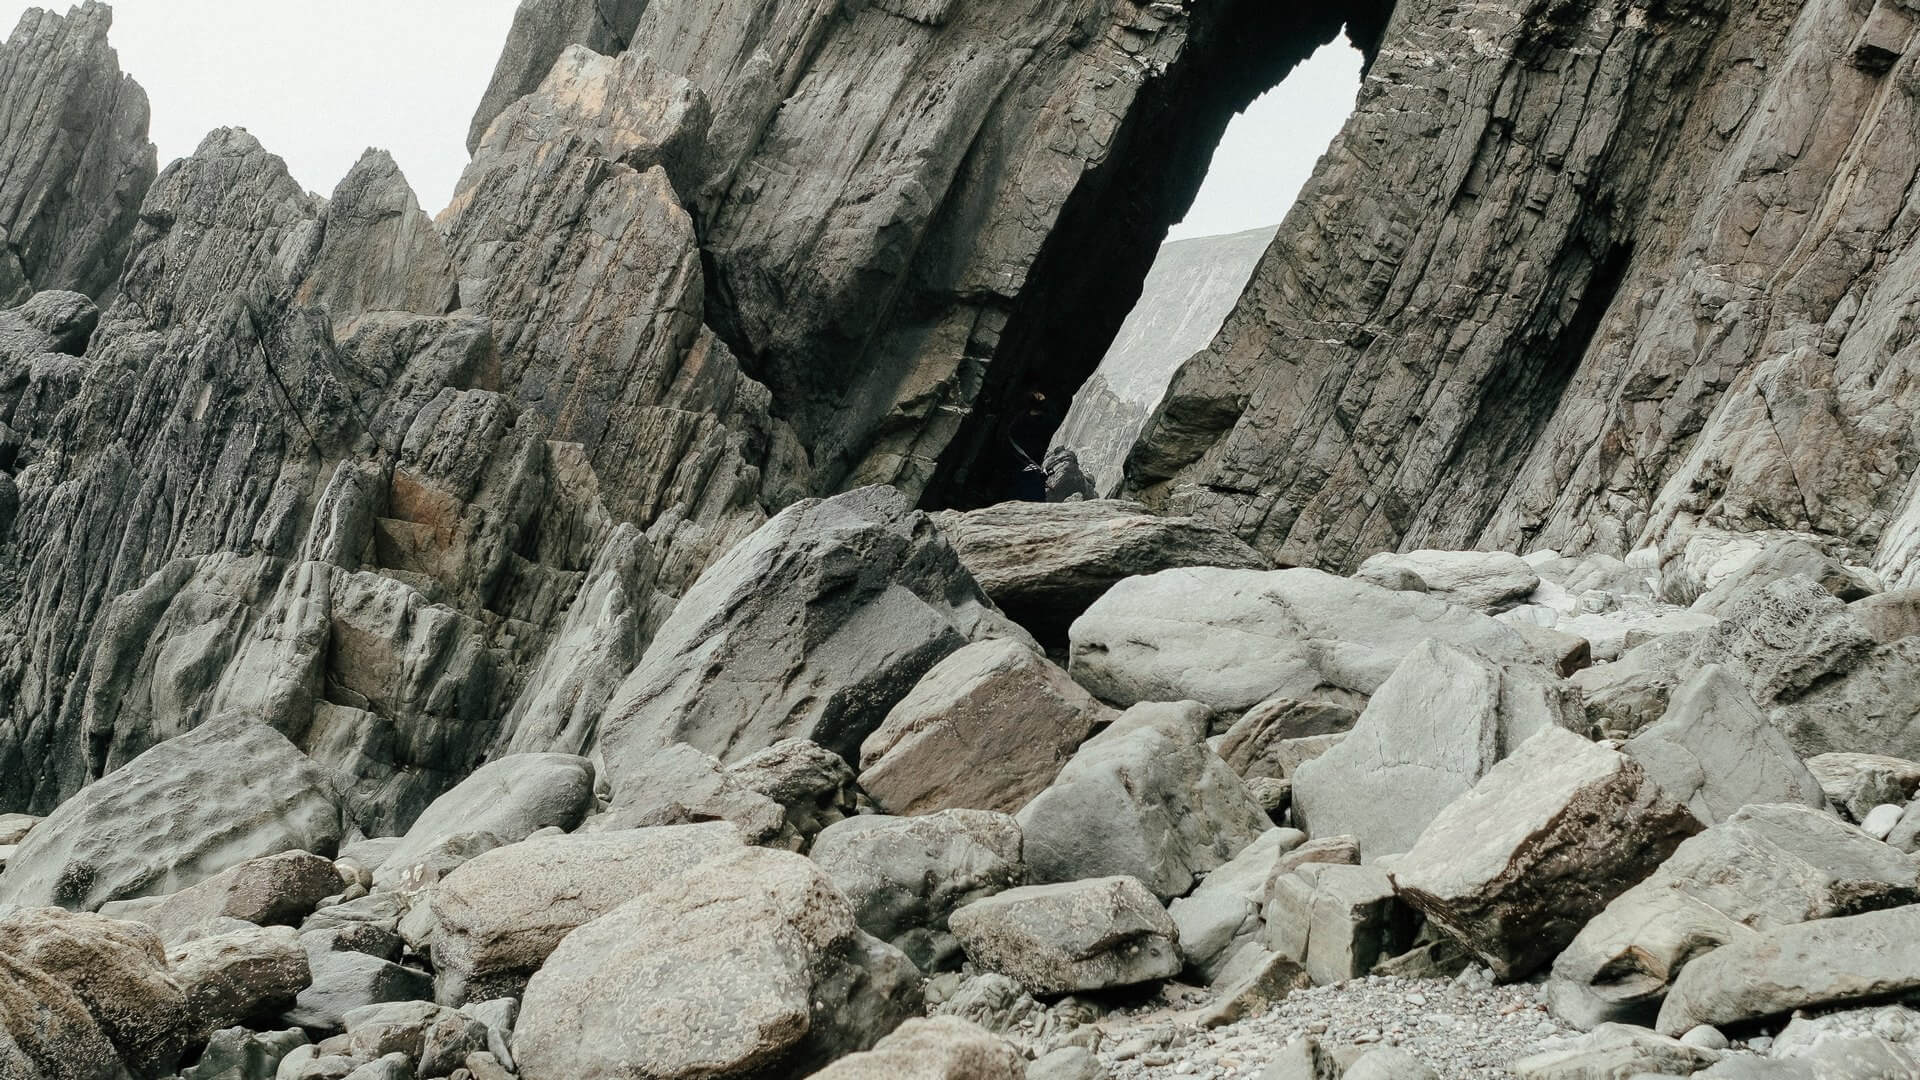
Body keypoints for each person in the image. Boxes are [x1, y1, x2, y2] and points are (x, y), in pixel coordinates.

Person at [1007, 389, 1057, 502]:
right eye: (1039, 396)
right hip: (1035, 456)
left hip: (1028, 457)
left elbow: (1011, 433)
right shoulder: (1047, 420)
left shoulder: (1022, 417)